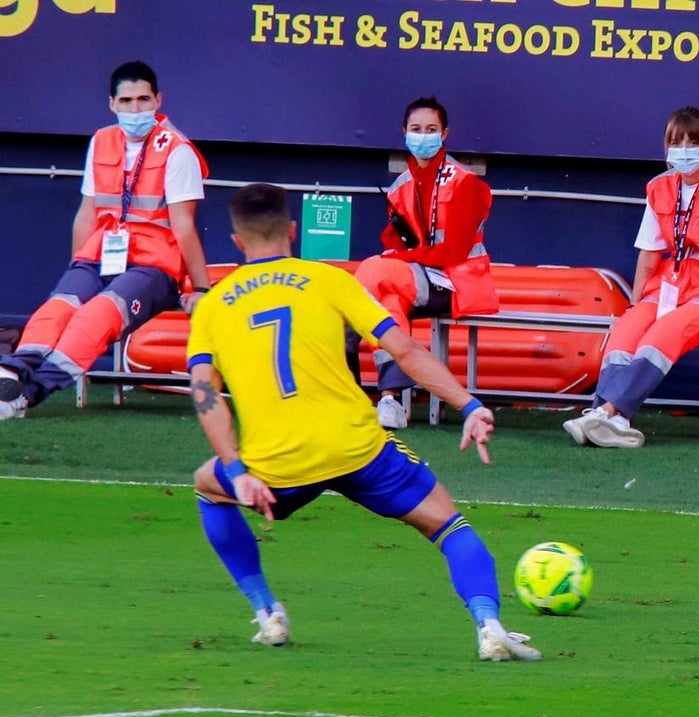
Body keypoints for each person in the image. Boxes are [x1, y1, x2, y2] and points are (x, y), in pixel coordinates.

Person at [188, 183, 539, 661]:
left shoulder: (213, 305)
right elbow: (406, 351)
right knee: (450, 527)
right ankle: (489, 625)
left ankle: (268, 612)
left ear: (235, 241)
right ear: (292, 231)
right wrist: (470, 406)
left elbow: (206, 396)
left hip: (278, 462)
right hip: (359, 447)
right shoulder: (329, 281)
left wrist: (235, 470)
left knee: (207, 486)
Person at [0, 60, 211, 420]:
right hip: (100, 255)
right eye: (126, 101)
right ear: (112, 104)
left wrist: (202, 289)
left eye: (143, 99)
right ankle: (12, 372)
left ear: (158, 100)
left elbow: (185, 227)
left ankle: (25, 397)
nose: (135, 109)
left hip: (153, 267)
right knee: (61, 305)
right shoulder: (102, 141)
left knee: (96, 315)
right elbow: (87, 212)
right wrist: (77, 267)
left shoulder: (178, 150)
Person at [563, 106, 699, 448]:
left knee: (664, 334)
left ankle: (605, 411)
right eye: (676, 142)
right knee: (626, 330)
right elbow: (648, 253)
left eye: (692, 143)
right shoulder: (660, 187)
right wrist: (636, 303)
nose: (683, 151)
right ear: (665, 146)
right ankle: (616, 421)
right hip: (673, 283)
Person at [354, 96, 498, 430]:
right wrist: (400, 256)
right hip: (416, 280)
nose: (423, 136)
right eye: (416, 129)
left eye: (431, 129)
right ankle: (389, 399)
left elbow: (455, 252)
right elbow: (391, 241)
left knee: (375, 270)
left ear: (445, 134)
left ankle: (346, 350)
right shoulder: (399, 186)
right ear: (404, 132)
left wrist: (400, 258)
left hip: (458, 283)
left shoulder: (467, 183)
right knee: (388, 300)